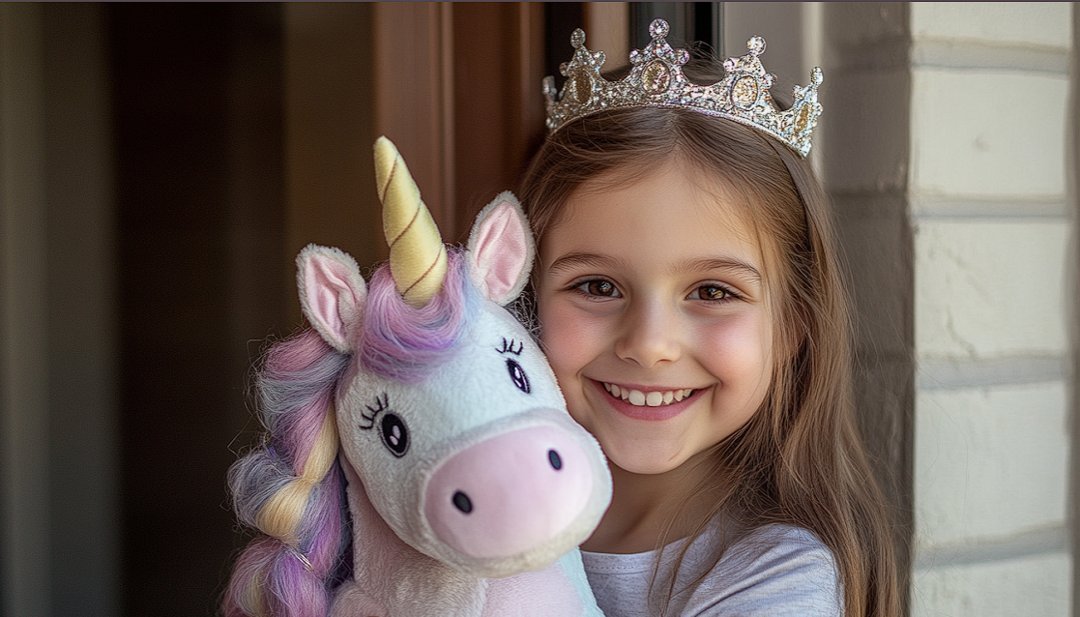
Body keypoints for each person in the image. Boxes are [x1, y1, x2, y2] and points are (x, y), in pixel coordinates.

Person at [516, 20, 901, 617]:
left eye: (713, 292)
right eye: (596, 286)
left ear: (793, 325)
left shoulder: (779, 578)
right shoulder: (475, 503)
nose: (650, 345)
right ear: (524, 294)